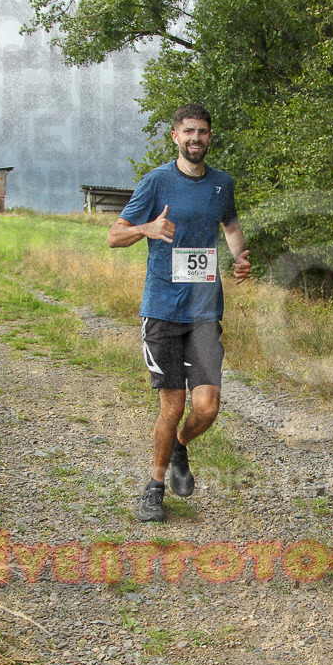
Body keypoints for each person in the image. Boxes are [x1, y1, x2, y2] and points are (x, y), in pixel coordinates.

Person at [108, 103, 251, 523]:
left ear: (210, 137)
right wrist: (145, 229)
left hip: (205, 312)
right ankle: (153, 490)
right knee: (171, 407)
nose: (196, 138)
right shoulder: (156, 182)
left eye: (203, 132)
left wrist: (240, 256)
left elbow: (229, 225)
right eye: (188, 131)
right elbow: (114, 235)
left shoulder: (222, 184)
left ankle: (180, 446)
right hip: (164, 311)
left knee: (206, 407)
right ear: (175, 136)